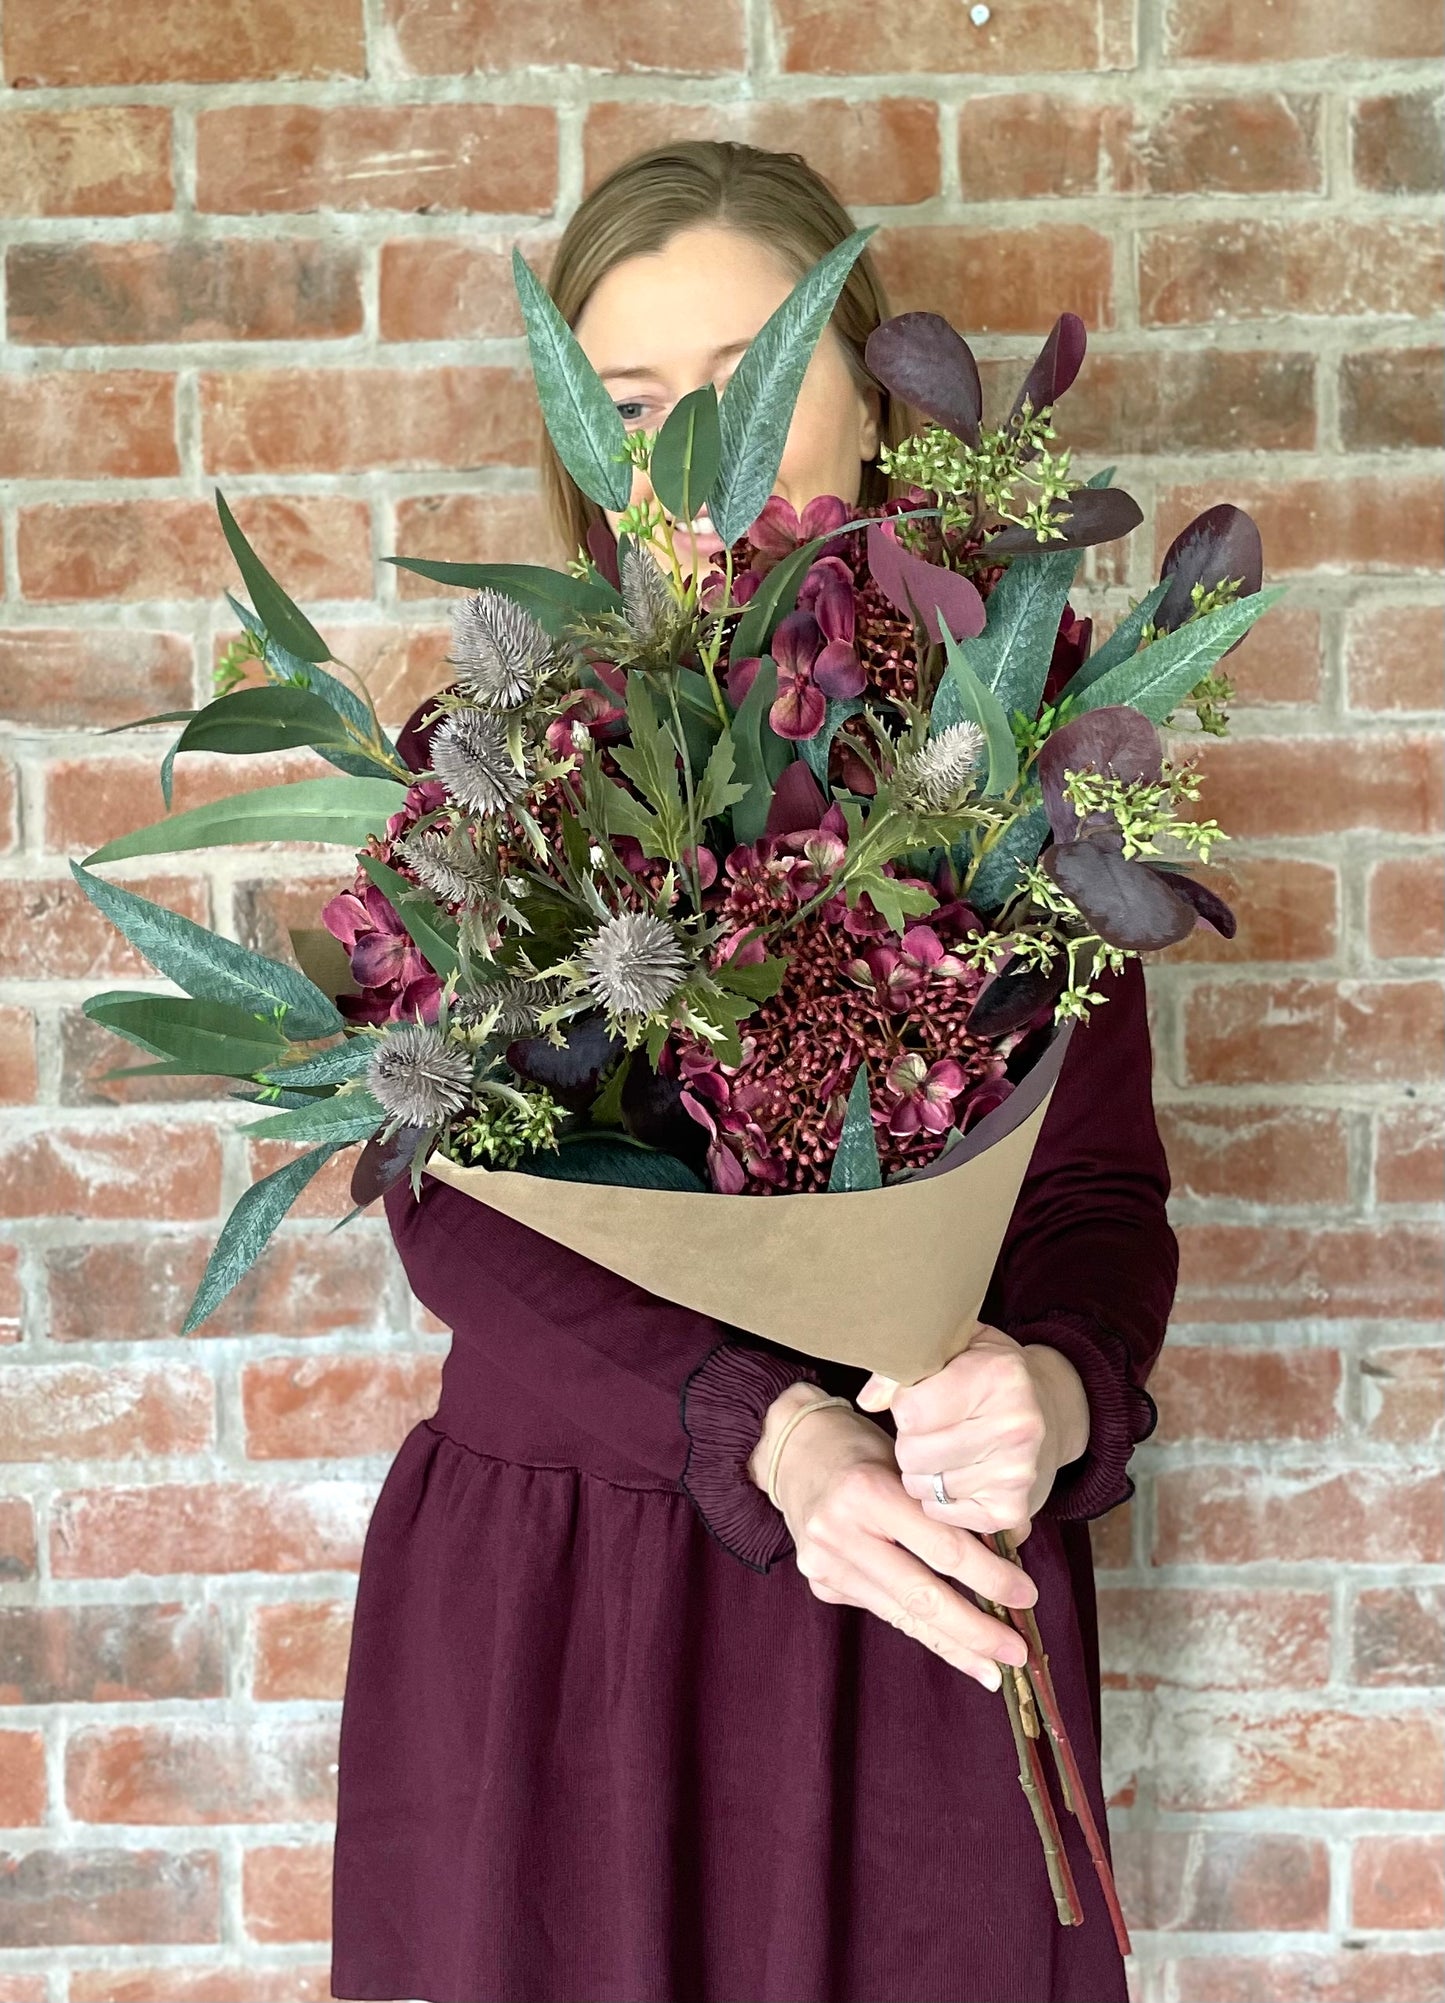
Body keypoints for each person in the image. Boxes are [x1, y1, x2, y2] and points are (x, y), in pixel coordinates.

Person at [330, 140, 1174, 2003]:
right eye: (636, 403)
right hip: (573, 1597)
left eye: (748, 380)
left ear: (868, 397)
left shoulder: (1019, 762)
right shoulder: (482, 761)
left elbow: (1098, 1188)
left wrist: (1046, 1385)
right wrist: (761, 1428)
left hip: (920, 1614)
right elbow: (454, 1218)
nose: (693, 451)